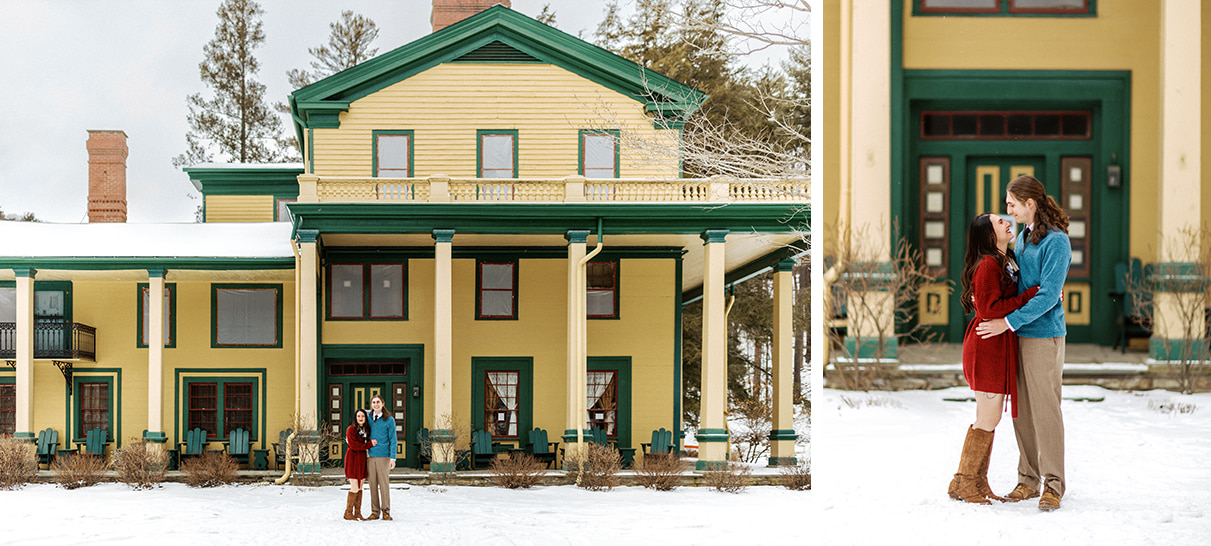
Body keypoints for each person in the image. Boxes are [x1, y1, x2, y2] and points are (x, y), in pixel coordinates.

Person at [976, 175, 1071, 512]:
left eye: (1011, 203)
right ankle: (1028, 479)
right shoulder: (1024, 240)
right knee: (1022, 412)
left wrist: (1008, 321)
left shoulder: (1057, 242)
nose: (1008, 209)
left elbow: (1047, 295)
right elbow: (1016, 287)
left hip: (1044, 335)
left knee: (1046, 410)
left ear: (1030, 204)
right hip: (1017, 336)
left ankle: (1053, 485)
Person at [949, 213, 1039, 504]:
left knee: (988, 417)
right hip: (987, 345)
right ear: (989, 235)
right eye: (999, 222)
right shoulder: (987, 265)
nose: (1007, 222)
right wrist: (1027, 298)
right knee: (988, 417)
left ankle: (971, 480)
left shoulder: (1004, 260)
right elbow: (989, 310)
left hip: (996, 345)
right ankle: (966, 482)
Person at [365, 394, 397, 521]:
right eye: (373, 402)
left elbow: (393, 440)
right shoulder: (368, 418)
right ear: (371, 405)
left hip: (384, 456)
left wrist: (393, 458)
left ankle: (386, 511)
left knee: (384, 484)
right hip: (370, 456)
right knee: (372, 484)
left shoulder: (389, 420)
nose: (376, 404)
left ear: (382, 404)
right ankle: (374, 511)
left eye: (378, 402)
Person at [343, 409, 375, 520]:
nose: (360, 418)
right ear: (355, 418)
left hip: (361, 459)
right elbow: (354, 446)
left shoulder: (365, 430)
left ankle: (357, 513)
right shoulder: (350, 429)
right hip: (352, 459)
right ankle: (348, 513)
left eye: (363, 416)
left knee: (360, 487)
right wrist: (368, 445)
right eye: (358, 416)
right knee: (354, 487)